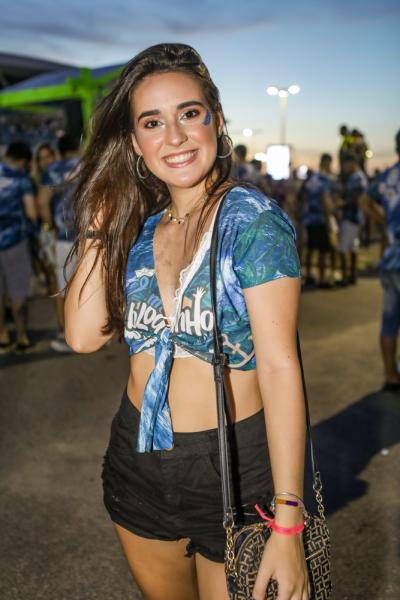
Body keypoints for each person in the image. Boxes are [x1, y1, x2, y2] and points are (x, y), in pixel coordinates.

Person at [64, 43, 309, 600]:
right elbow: (81, 336)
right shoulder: (141, 230)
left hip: (231, 465)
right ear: (135, 142)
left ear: (215, 121)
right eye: (152, 122)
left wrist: (288, 522)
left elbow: (279, 368)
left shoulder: (251, 223)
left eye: (189, 114)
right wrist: (100, 224)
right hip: (138, 459)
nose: (173, 136)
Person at [362, 130, 400, 391]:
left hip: (391, 260)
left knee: (389, 320)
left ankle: (390, 374)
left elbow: (364, 200)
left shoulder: (387, 176)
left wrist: (383, 221)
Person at [37, 134, 80, 352]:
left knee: (65, 288)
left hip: (64, 237)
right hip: (94, 235)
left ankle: (68, 334)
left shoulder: (52, 171)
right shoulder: (90, 165)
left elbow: (42, 202)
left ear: (60, 151)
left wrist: (49, 225)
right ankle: (98, 331)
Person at [0, 141, 37, 353]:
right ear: (23, 161)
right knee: (18, 290)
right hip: (15, 241)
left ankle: (3, 335)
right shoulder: (21, 180)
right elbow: (31, 211)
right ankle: (22, 336)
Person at [301, 154, 337, 288]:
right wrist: (330, 217)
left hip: (309, 218)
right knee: (323, 249)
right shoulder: (324, 179)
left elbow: (303, 196)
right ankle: (322, 278)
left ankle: (308, 275)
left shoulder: (312, 178)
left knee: (310, 248)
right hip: (320, 218)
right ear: (327, 163)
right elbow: (325, 199)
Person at [337, 153, 368, 285]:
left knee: (342, 248)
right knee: (353, 247)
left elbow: (356, 199)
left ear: (352, 163)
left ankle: (345, 277)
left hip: (351, 216)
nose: (343, 167)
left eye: (345, 164)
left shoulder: (356, 177)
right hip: (356, 217)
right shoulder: (359, 176)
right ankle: (352, 275)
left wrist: (341, 204)